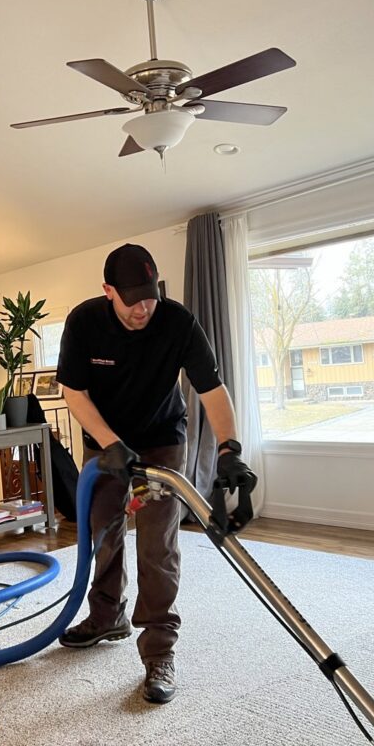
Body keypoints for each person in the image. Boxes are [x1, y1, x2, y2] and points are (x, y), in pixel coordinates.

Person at [55, 243, 257, 704]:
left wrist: (229, 449)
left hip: (162, 439)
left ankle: (159, 651)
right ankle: (107, 617)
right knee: (102, 531)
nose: (143, 307)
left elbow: (212, 388)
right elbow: (74, 392)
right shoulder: (84, 322)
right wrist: (111, 444)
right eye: (132, 299)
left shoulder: (177, 321)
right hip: (105, 441)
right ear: (109, 291)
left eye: (150, 296)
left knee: (156, 541)